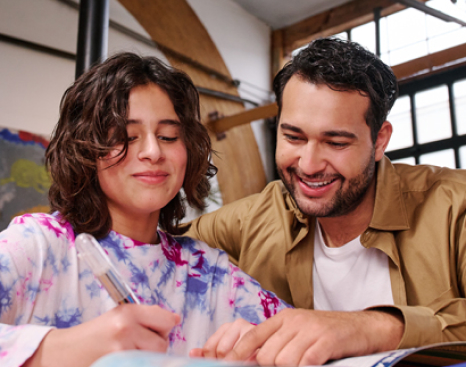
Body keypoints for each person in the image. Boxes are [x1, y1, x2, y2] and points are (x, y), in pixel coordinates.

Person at [187, 38, 466, 366]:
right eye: (293, 137)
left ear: (379, 140)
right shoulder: (255, 217)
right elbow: (145, 245)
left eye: (335, 142)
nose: (308, 165)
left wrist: (369, 328)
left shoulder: (454, 206)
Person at [0, 53, 289, 367]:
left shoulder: (210, 273)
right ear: (85, 149)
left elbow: (307, 341)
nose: (153, 151)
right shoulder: (36, 245)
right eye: (127, 136)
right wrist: (60, 349)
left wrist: (261, 349)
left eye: (168, 136)